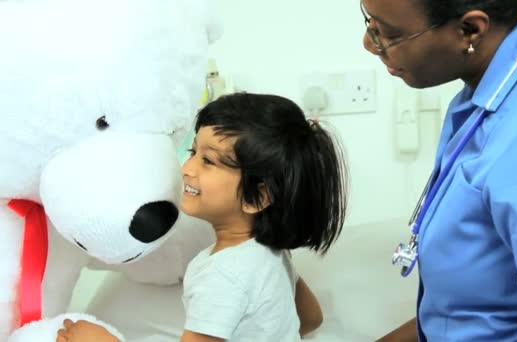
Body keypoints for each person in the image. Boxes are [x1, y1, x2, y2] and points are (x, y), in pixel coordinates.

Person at [359, 0, 517, 341]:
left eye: (387, 33)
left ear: (470, 30)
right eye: (369, 22)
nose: (369, 44)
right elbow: (476, 314)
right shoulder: (491, 89)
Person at [56, 93, 349, 342]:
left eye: (208, 161)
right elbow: (311, 318)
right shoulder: (269, 252)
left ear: (257, 197)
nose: (186, 168)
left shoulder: (220, 275)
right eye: (193, 151)